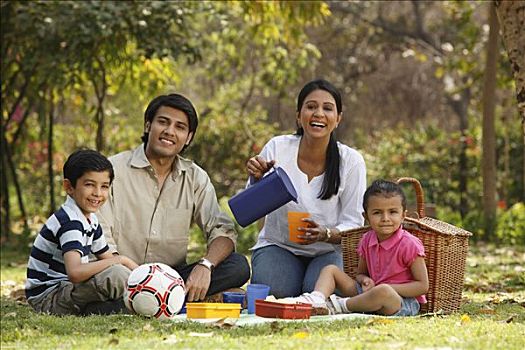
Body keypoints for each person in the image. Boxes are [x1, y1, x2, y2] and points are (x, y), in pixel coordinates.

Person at [98, 93, 250, 302]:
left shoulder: (195, 177)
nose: (170, 131)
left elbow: (221, 230)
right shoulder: (113, 170)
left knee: (238, 266)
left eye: (180, 127)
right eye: (163, 122)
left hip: (170, 279)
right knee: (110, 280)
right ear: (148, 125)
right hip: (122, 274)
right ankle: (175, 302)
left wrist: (205, 266)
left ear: (188, 137)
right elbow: (100, 236)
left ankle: (163, 300)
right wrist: (132, 275)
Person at [245, 79, 367, 298]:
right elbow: (251, 209)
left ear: (337, 119)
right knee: (276, 294)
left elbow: (354, 224)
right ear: (298, 116)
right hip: (278, 246)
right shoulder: (277, 148)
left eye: (327, 108)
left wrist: (325, 234)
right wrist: (257, 180)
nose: (318, 114)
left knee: (320, 294)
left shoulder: (351, 161)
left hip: (328, 251)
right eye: (311, 107)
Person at [282, 180, 429, 316]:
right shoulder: (367, 239)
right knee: (330, 270)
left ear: (403, 215)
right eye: (377, 212)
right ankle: (316, 299)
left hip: (400, 300)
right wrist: (365, 280)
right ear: (366, 216)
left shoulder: (409, 244)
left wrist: (385, 287)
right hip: (369, 292)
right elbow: (360, 274)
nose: (385, 218)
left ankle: (339, 306)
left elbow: (422, 286)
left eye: (393, 212)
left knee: (383, 291)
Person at [25, 149, 139, 315]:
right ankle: (121, 305)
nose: (97, 193)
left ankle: (104, 308)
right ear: (69, 187)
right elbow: (76, 273)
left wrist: (144, 273)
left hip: (67, 290)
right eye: (89, 185)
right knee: (115, 275)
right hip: (48, 298)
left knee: (118, 272)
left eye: (104, 186)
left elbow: (107, 257)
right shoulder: (70, 222)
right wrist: (120, 260)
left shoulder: (90, 219)